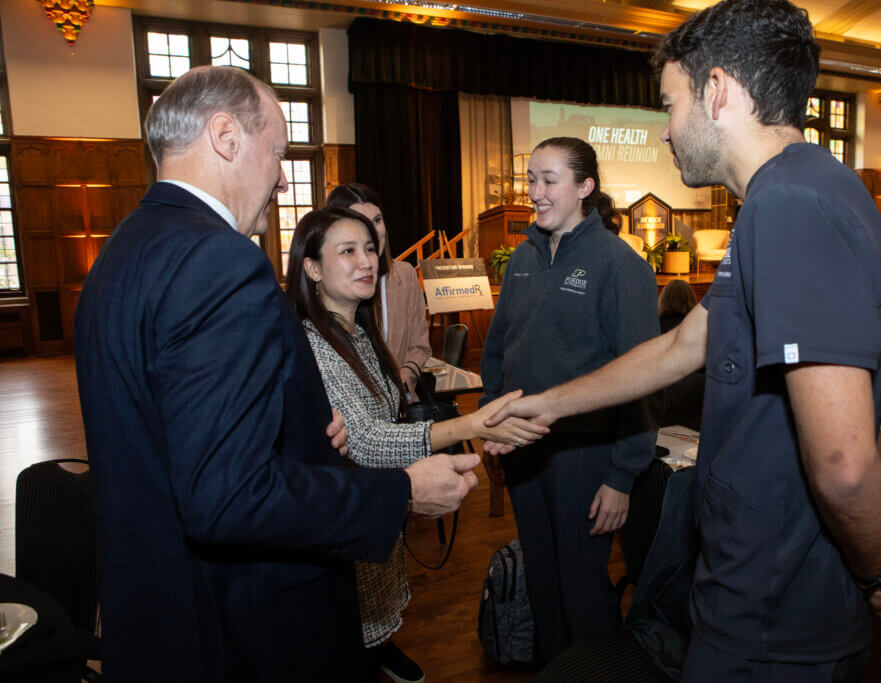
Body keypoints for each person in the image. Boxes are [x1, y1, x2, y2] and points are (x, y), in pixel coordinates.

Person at [487, 2, 881, 679]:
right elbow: (680, 348)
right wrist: (548, 405)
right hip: (746, 594)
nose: (666, 131)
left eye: (671, 105)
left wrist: (874, 564)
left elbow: (844, 462)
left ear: (719, 91)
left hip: (777, 614)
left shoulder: (793, 206)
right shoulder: (774, 201)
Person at [74, 66, 479, 683]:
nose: (283, 175)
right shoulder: (220, 260)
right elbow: (228, 497)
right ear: (226, 137)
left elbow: (170, 438)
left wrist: (299, 438)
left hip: (157, 610)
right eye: (278, 152)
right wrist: (402, 490)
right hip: (240, 626)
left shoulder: (124, 248)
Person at [286, 207, 545, 682]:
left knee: (368, 645)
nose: (367, 259)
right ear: (312, 267)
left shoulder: (357, 329)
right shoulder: (312, 343)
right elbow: (367, 440)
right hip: (348, 525)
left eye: (369, 247)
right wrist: (471, 425)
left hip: (372, 521)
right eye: (348, 251)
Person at [479, 136, 661, 663]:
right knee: (543, 583)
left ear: (585, 187)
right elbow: (497, 354)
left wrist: (622, 475)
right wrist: (493, 426)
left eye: (548, 180)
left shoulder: (620, 267)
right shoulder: (522, 261)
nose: (534, 192)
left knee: (583, 591)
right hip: (524, 451)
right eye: (530, 179)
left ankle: (598, 674)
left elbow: (644, 379)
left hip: (587, 458)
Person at [326, 183, 431, 399]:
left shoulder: (405, 274)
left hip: (402, 410)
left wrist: (403, 378)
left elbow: (420, 345)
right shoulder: (329, 286)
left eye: (377, 220)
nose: (374, 231)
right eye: (361, 223)